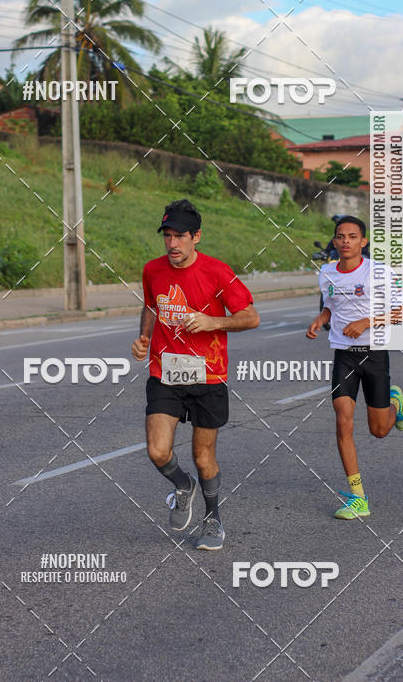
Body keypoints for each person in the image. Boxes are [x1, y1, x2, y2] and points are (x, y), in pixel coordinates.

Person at [131, 199, 259, 550]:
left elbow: (251, 317)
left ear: (196, 237)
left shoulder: (217, 272)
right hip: (165, 373)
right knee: (158, 451)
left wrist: (213, 322)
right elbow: (150, 306)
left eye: (180, 236)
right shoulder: (153, 270)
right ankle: (182, 485)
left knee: (203, 458)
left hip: (208, 376)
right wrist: (143, 338)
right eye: (167, 236)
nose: (172, 244)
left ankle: (213, 519)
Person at [306, 216, 403, 520]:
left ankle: (395, 403)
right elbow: (331, 305)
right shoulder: (327, 273)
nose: (346, 241)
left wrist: (367, 322)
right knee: (343, 421)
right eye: (340, 236)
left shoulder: (380, 272)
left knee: (379, 430)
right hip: (344, 355)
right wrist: (320, 319)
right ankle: (358, 497)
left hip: (374, 354)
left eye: (353, 236)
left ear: (363, 242)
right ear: (334, 241)